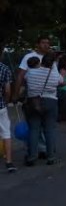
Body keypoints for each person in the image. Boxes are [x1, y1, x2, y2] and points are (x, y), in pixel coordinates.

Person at [24, 53, 62, 166]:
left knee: (34, 129)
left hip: (33, 102)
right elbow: (61, 82)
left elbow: (25, 80)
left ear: (41, 62)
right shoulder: (55, 74)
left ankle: (31, 157)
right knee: (49, 130)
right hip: (50, 101)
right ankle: (51, 157)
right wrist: (54, 66)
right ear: (53, 63)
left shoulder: (31, 72)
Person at [0, 44, 17, 172]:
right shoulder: (4, 69)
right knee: (6, 133)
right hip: (1, 106)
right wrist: (6, 101)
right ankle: (9, 162)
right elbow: (7, 91)